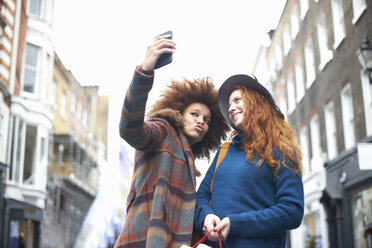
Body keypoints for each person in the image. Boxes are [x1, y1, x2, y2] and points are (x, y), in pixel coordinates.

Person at [114, 34, 229, 248]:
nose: (201, 122)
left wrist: (206, 223)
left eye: (207, 120)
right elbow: (129, 128)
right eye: (194, 114)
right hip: (141, 239)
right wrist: (145, 71)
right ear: (179, 113)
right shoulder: (164, 130)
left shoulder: (189, 160)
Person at [194, 74, 304, 247]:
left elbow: (292, 211)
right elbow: (201, 195)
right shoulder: (224, 152)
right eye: (229, 105)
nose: (230, 108)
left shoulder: (281, 149)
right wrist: (206, 216)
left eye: (237, 100)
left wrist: (235, 223)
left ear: (256, 102)